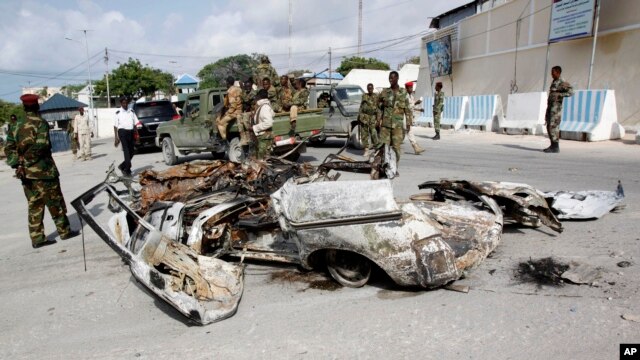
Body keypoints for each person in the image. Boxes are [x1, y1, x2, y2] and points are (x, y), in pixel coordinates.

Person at [5, 94, 79, 248]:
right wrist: (26, 162)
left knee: (34, 205)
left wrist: (18, 165)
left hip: (26, 174)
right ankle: (64, 231)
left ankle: (37, 238)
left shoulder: (15, 125)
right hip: (44, 172)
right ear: (37, 106)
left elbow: (9, 149)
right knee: (55, 202)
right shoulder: (41, 123)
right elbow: (41, 146)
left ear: (24, 107)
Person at [378, 71, 412, 170]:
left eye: (392, 78)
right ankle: (385, 167)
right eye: (389, 78)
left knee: (396, 148)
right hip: (385, 125)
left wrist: (409, 122)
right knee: (384, 147)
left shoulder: (403, 92)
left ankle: (394, 168)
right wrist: (378, 119)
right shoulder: (384, 92)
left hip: (398, 126)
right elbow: (379, 107)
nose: (390, 80)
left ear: (397, 78)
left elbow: (407, 109)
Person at [544, 65, 574, 153]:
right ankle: (552, 145)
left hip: (556, 110)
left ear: (558, 72)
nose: (551, 74)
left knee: (554, 127)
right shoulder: (554, 81)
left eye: (553, 72)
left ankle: (555, 147)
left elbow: (571, 92)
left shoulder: (562, 82)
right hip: (550, 108)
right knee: (549, 126)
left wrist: (560, 95)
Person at [113, 97, 138, 176]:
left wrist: (137, 134)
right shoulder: (118, 112)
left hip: (130, 132)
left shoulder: (131, 111)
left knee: (132, 151)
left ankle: (122, 166)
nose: (125, 104)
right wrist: (116, 138)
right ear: (121, 103)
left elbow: (135, 124)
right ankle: (127, 169)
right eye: (123, 103)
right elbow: (115, 126)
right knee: (126, 150)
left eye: (126, 103)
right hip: (122, 132)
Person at [216, 76, 243, 142]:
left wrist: (227, 113)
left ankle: (224, 140)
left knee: (220, 123)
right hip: (240, 109)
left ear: (227, 83)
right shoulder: (238, 89)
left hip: (235, 112)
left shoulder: (230, 91)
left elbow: (233, 105)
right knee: (218, 119)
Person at [251, 89, 275, 160]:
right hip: (262, 137)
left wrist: (254, 128)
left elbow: (269, 123)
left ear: (258, 97)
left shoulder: (265, 107)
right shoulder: (262, 106)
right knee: (260, 160)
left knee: (263, 161)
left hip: (265, 138)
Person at [358, 83, 380, 157]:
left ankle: (376, 148)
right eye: (368, 88)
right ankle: (366, 149)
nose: (370, 89)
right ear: (367, 89)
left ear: (373, 88)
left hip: (372, 117)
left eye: (371, 88)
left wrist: (378, 119)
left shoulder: (376, 96)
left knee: (373, 133)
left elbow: (379, 109)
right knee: (364, 134)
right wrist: (359, 116)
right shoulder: (364, 96)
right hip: (364, 117)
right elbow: (361, 107)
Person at [404, 82, 425, 155]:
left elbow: (412, 107)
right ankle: (416, 147)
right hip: (404, 117)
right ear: (406, 88)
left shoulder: (411, 97)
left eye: (412, 88)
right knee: (407, 132)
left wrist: (419, 109)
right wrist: (416, 103)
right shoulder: (405, 96)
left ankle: (416, 147)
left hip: (409, 117)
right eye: (410, 88)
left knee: (408, 132)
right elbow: (407, 107)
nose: (411, 89)